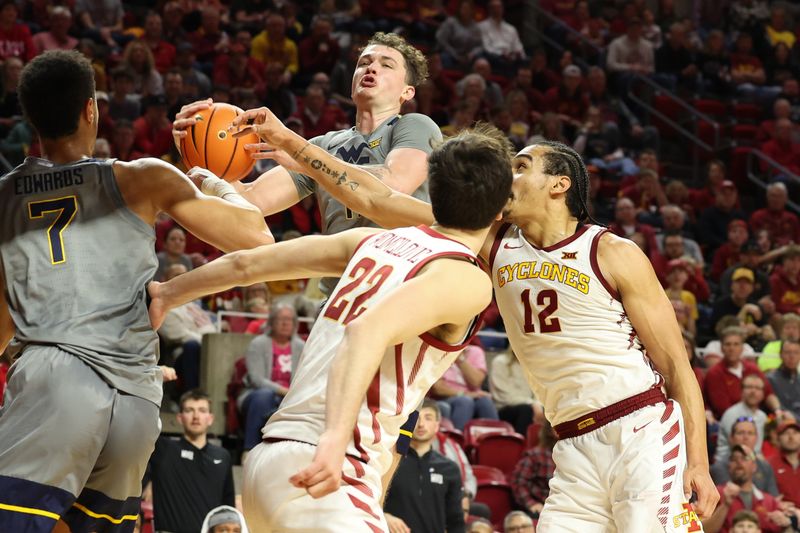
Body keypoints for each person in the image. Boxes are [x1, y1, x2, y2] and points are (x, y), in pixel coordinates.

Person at [251, 136, 720, 527]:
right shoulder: (493, 245)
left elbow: (678, 367)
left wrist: (697, 461)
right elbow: (376, 200)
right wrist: (294, 145)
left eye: (521, 166)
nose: (508, 177)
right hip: (572, 445)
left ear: (559, 184)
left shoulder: (611, 251)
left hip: (639, 428)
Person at [147, 124, 513, 531]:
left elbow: (247, 264)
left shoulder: (373, 241)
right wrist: (334, 440)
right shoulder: (465, 277)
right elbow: (365, 332)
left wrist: (167, 293)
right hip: (330, 466)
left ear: (433, 189)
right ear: (501, 211)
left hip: (268, 461)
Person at [0, 50, 271, 533]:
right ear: (91, 110)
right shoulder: (143, 176)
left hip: (54, 382)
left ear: (30, 120)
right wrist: (210, 177)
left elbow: (3, 315)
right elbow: (256, 238)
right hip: (136, 399)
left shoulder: (4, 198)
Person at [173, 32, 440, 296]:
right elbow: (249, 200)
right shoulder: (323, 146)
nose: (371, 68)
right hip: (340, 297)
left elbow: (394, 184)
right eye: (364, 62)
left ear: (407, 91)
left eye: (386, 64)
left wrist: (303, 155)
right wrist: (195, 147)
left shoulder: (414, 125)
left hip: (401, 287)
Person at [147, 390, 236, 533]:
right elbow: (141, 422)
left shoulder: (223, 456)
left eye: (202, 410)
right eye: (189, 410)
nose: (196, 416)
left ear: (210, 418)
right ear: (180, 417)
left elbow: (228, 508)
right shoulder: (163, 450)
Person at [384, 400, 466, 533]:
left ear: (437, 425)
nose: (421, 424)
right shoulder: (389, 459)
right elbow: (370, 499)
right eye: (416, 418)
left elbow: (455, 520)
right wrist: (384, 516)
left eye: (428, 418)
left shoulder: (450, 468)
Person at [239, 303, 304, 452]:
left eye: (289, 319)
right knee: (264, 396)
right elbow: (256, 379)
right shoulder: (258, 344)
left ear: (295, 324)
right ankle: (250, 450)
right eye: (280, 319)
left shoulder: (301, 346)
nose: (285, 323)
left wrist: (291, 394)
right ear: (271, 322)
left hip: (291, 396)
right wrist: (283, 391)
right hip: (257, 394)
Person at [703, 444, 790, 533]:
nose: (739, 462)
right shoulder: (715, 494)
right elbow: (703, 530)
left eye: (744, 458)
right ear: (729, 466)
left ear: (754, 466)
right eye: (734, 459)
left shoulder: (769, 501)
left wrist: (786, 524)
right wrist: (725, 505)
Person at [510, 420, 557, 518]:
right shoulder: (535, 455)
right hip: (542, 507)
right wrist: (531, 504)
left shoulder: (574, 455)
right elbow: (518, 482)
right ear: (549, 431)